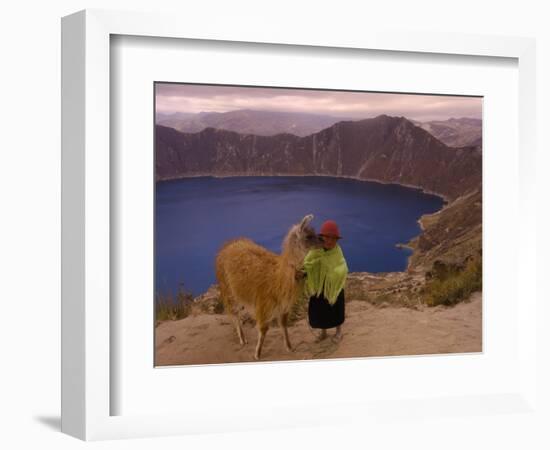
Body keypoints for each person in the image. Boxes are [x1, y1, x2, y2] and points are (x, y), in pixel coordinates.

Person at [303, 220, 348, 343]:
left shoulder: (337, 252)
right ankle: (323, 332)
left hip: (333, 287)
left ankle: (339, 332)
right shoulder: (315, 251)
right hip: (319, 287)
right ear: (321, 237)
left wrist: (333, 274)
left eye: (333, 239)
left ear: (336, 240)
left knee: (335, 309)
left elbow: (342, 267)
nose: (330, 241)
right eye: (327, 237)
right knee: (320, 311)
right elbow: (307, 263)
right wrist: (306, 270)